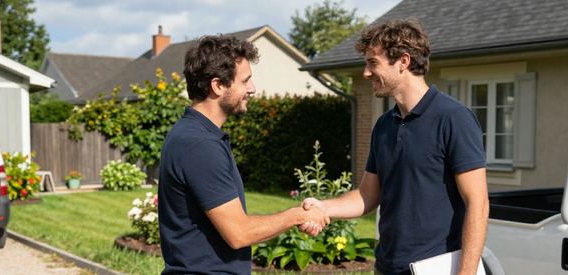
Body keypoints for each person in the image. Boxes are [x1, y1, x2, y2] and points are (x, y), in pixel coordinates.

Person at [299, 18, 489, 275]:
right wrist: (324, 206)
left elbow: (478, 203)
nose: (366, 73)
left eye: (372, 63)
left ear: (403, 61)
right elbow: (367, 195)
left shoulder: (453, 118)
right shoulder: (384, 126)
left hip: (436, 268)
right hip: (387, 267)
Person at [158, 34, 329, 275]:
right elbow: (240, 233)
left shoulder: (192, 134)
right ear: (217, 86)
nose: (253, 89)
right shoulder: (200, 144)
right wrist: (297, 215)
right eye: (245, 81)